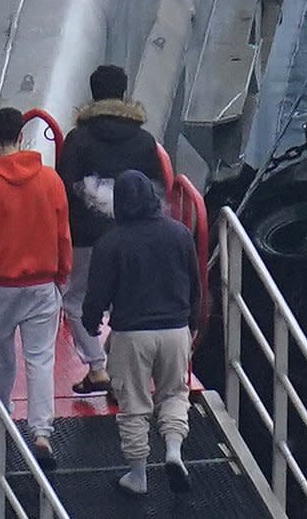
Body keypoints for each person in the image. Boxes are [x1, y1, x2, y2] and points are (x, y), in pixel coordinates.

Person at [0, 107, 72, 468]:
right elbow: (62, 235)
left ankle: (0, 410)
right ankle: (41, 431)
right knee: (40, 358)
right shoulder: (50, 181)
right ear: (23, 137)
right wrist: (61, 274)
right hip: (42, 283)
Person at [82, 170, 200, 496]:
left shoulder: (111, 242)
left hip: (132, 335)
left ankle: (138, 475)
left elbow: (97, 293)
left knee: (133, 404)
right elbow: (195, 282)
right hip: (175, 328)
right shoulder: (179, 234)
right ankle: (174, 452)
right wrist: (192, 322)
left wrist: (91, 322)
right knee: (175, 394)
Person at [56, 64, 164, 396]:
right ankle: (122, 369)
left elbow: (64, 187)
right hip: (133, 236)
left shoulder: (78, 138)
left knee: (75, 299)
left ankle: (97, 367)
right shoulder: (145, 140)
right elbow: (157, 187)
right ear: (123, 92)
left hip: (87, 237)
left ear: (93, 92)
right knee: (127, 300)